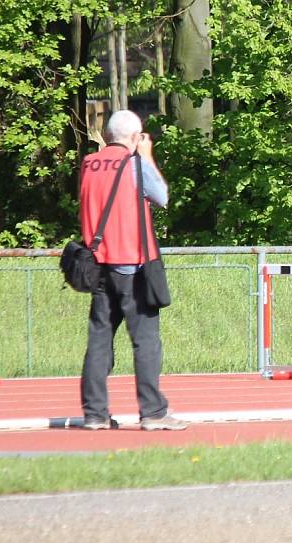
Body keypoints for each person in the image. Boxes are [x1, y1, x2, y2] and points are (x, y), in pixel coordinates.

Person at [79, 110, 187, 430]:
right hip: (132, 264)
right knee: (146, 341)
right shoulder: (134, 164)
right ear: (135, 137)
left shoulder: (89, 164)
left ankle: (95, 414)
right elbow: (162, 197)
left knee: (100, 339)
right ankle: (153, 412)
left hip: (98, 263)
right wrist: (147, 156)